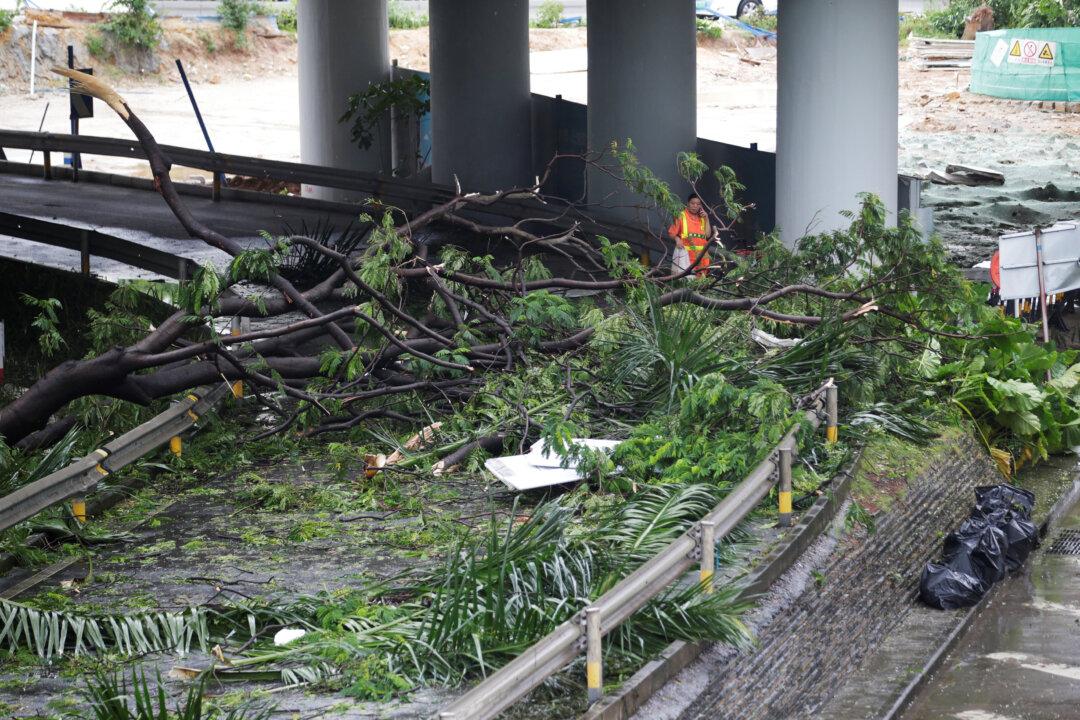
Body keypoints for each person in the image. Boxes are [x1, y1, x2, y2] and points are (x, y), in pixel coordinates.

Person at [668, 194, 715, 277]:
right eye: (693, 203)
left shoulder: (703, 218)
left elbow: (707, 235)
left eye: (698, 204)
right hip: (686, 257)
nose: (695, 206)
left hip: (702, 257)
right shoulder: (681, 216)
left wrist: (707, 218)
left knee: (700, 285)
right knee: (686, 282)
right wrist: (677, 239)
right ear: (688, 203)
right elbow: (671, 233)